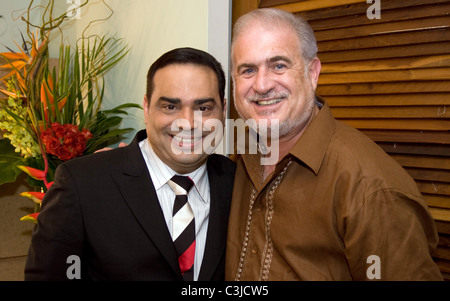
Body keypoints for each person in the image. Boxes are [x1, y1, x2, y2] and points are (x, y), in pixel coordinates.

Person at [225, 8, 443, 280]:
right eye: (247, 70)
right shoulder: (238, 158)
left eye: (278, 65)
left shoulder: (369, 187)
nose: (261, 84)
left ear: (312, 73)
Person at [25, 47, 236, 281]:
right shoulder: (82, 184)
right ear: (146, 109)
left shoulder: (238, 184)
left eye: (203, 108)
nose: (187, 123)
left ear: (223, 110)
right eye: (170, 107)